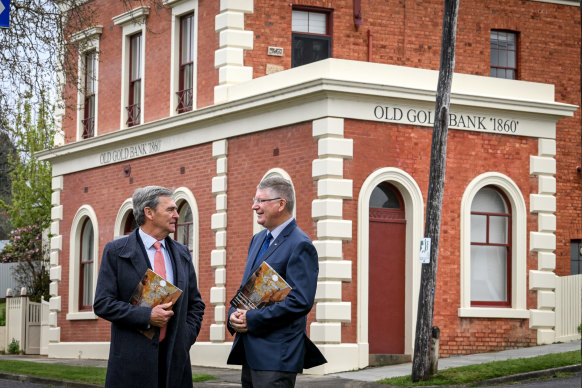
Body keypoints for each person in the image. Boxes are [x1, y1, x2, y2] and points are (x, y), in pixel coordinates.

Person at [94, 186, 205, 388]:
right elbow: (102, 303)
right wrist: (146, 316)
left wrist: (184, 339)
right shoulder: (116, 251)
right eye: (170, 209)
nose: (176, 215)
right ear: (149, 212)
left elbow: (196, 305)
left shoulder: (182, 253)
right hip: (131, 364)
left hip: (174, 362)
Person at [227, 177, 326, 387]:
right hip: (250, 353)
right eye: (256, 200)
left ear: (281, 204)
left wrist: (251, 318)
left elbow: (299, 302)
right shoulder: (258, 239)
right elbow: (247, 289)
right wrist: (233, 316)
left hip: (276, 357)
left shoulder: (300, 244)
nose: (255, 206)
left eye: (261, 201)